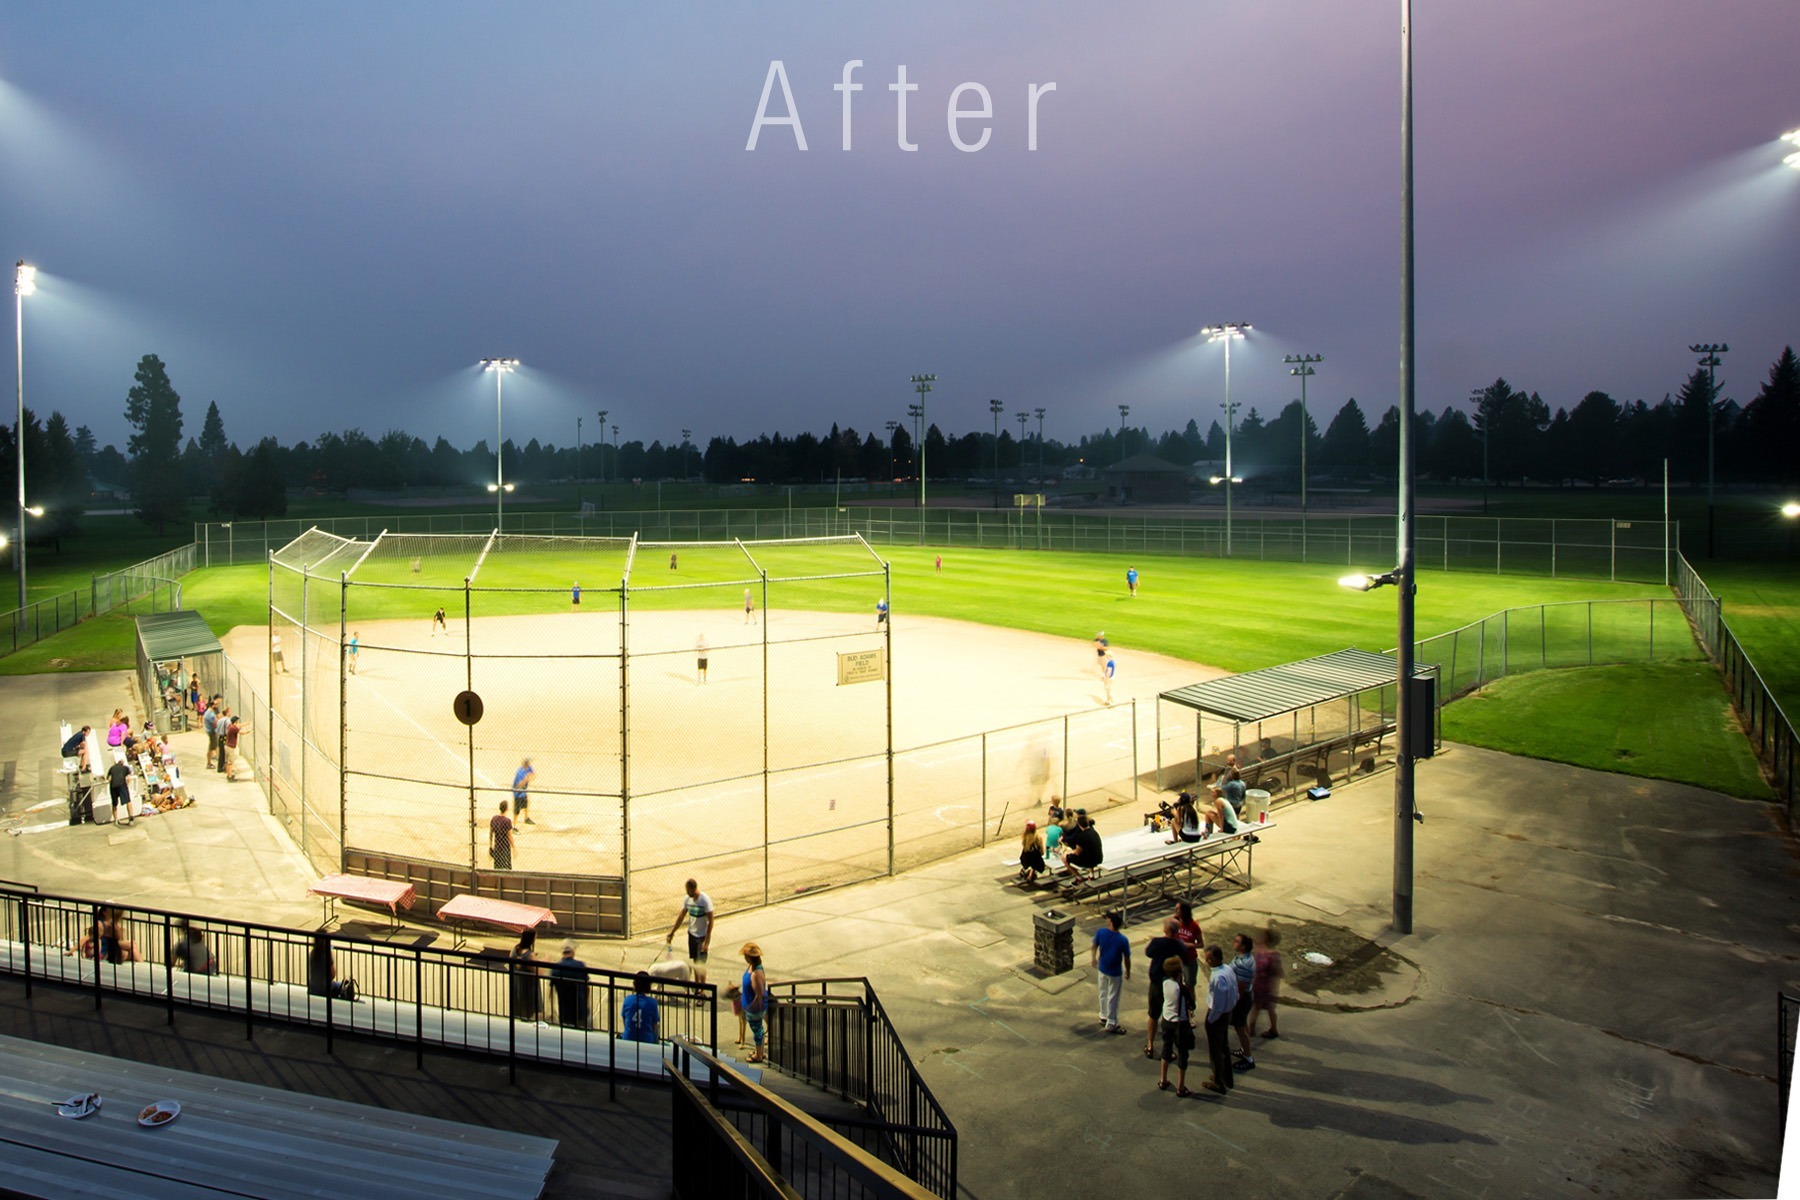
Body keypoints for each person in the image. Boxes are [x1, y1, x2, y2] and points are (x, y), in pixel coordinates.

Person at [1140, 918, 1184, 1059]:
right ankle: (1168, 1049)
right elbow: (1185, 958)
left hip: (1157, 984)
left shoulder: (1157, 943)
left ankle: (1150, 1045)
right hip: (1173, 984)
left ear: (1167, 930)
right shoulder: (1179, 945)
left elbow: (1148, 953)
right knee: (1170, 1016)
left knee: (1153, 1014)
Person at [1157, 955, 1197, 1095]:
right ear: (1180, 972)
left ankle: (1163, 1080)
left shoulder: (1165, 982)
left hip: (1166, 1020)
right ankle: (1181, 1087)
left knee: (1166, 1048)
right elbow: (1192, 1005)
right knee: (1182, 1053)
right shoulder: (1182, 989)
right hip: (1180, 1023)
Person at [664, 878, 715, 984]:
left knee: (701, 964)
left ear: (693, 888)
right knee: (695, 961)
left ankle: (702, 988)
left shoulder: (704, 900)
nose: (687, 892)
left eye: (688, 890)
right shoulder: (687, 899)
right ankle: (697, 985)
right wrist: (672, 932)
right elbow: (681, 916)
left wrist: (706, 941)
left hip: (702, 936)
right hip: (692, 935)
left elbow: (711, 921)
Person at [1203, 944, 1238, 1095]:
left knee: (1216, 1049)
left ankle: (1218, 1082)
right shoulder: (1227, 969)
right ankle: (1225, 1077)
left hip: (1218, 1015)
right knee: (1224, 1045)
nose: (1207, 961)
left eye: (1209, 959)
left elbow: (1218, 1003)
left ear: (1217, 959)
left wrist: (1211, 1019)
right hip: (1227, 1012)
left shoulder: (1218, 978)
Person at [1090, 911, 1131, 1034]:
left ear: (1111, 922)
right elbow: (1127, 958)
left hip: (1102, 968)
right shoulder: (1122, 940)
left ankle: (1103, 1015)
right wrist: (1128, 971)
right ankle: (1111, 1022)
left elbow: (1094, 946)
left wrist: (1093, 959)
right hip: (1115, 972)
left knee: (1102, 992)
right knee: (1113, 997)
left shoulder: (1101, 932)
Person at [1249, 925, 1284, 1040]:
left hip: (1267, 985)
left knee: (1269, 1008)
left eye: (1263, 936)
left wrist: (1273, 987)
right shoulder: (1260, 950)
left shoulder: (1273, 955)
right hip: (1258, 983)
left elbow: (1278, 972)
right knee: (1256, 1005)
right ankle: (1251, 1027)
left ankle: (1273, 1029)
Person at [1230, 932, 1258, 1070]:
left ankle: (1248, 1058)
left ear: (1243, 946)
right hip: (1245, 997)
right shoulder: (1244, 958)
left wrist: (1233, 1002)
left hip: (1241, 1000)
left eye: (1237, 941)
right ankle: (1244, 1049)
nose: (1233, 943)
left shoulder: (1243, 964)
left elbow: (1240, 988)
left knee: (1240, 1028)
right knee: (1242, 1026)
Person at [550, 941, 591, 1028]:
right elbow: (587, 988)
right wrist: (586, 1004)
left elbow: (551, 991)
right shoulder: (580, 965)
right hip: (579, 1008)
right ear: (573, 952)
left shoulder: (556, 968)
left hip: (564, 1010)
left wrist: (552, 1010)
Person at [740, 942, 769, 1063]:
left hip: (755, 1009)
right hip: (751, 1007)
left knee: (757, 1031)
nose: (744, 958)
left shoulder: (756, 974)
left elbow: (759, 995)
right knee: (758, 1030)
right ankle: (759, 1052)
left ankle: (758, 1055)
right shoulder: (752, 967)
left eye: (746, 956)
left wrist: (751, 1007)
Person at [307, 932, 354, 1000]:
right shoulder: (326, 955)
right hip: (325, 989)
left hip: (313, 988)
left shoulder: (312, 953)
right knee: (341, 986)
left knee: (338, 984)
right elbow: (332, 975)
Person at [509, 927, 542, 1021]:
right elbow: (538, 971)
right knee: (528, 1009)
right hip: (528, 985)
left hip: (517, 982)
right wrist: (546, 961)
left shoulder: (515, 949)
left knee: (519, 1005)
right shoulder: (529, 955)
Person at [621, 971, 661, 1044]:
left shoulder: (627, 999)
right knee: (657, 1027)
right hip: (646, 1040)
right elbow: (654, 1026)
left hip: (628, 1038)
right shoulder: (653, 1002)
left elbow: (625, 1021)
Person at [1173, 900, 1203, 988]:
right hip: (1177, 958)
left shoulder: (1194, 925)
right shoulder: (1175, 921)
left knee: (1189, 985)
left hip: (1189, 959)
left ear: (1184, 911)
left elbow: (1201, 944)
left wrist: (1189, 945)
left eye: (1178, 909)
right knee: (1176, 984)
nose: (1175, 910)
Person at [106, 752, 135, 827]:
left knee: (114, 803)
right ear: (122, 763)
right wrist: (127, 785)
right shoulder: (125, 768)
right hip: (122, 785)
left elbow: (108, 778)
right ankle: (131, 817)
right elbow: (128, 778)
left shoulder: (112, 768)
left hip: (113, 786)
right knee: (128, 801)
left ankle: (116, 820)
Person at [490, 800, 515, 870]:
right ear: (507, 809)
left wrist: (490, 845)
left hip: (497, 846)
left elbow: (491, 833)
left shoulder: (494, 819)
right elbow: (510, 836)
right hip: (505, 847)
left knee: (497, 866)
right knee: (506, 867)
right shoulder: (507, 821)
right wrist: (514, 847)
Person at [512, 758, 535, 825]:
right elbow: (519, 785)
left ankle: (526, 818)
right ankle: (514, 825)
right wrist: (526, 779)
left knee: (526, 805)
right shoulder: (520, 773)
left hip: (523, 791)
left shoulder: (528, 768)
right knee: (517, 810)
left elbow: (533, 775)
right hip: (518, 792)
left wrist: (530, 777)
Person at [203, 700, 220, 769]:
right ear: (213, 706)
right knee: (212, 747)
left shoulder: (208, 712)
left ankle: (216, 756)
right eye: (216, 704)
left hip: (210, 731)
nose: (217, 706)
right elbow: (215, 724)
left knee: (215, 746)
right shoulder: (210, 715)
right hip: (212, 732)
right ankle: (209, 763)